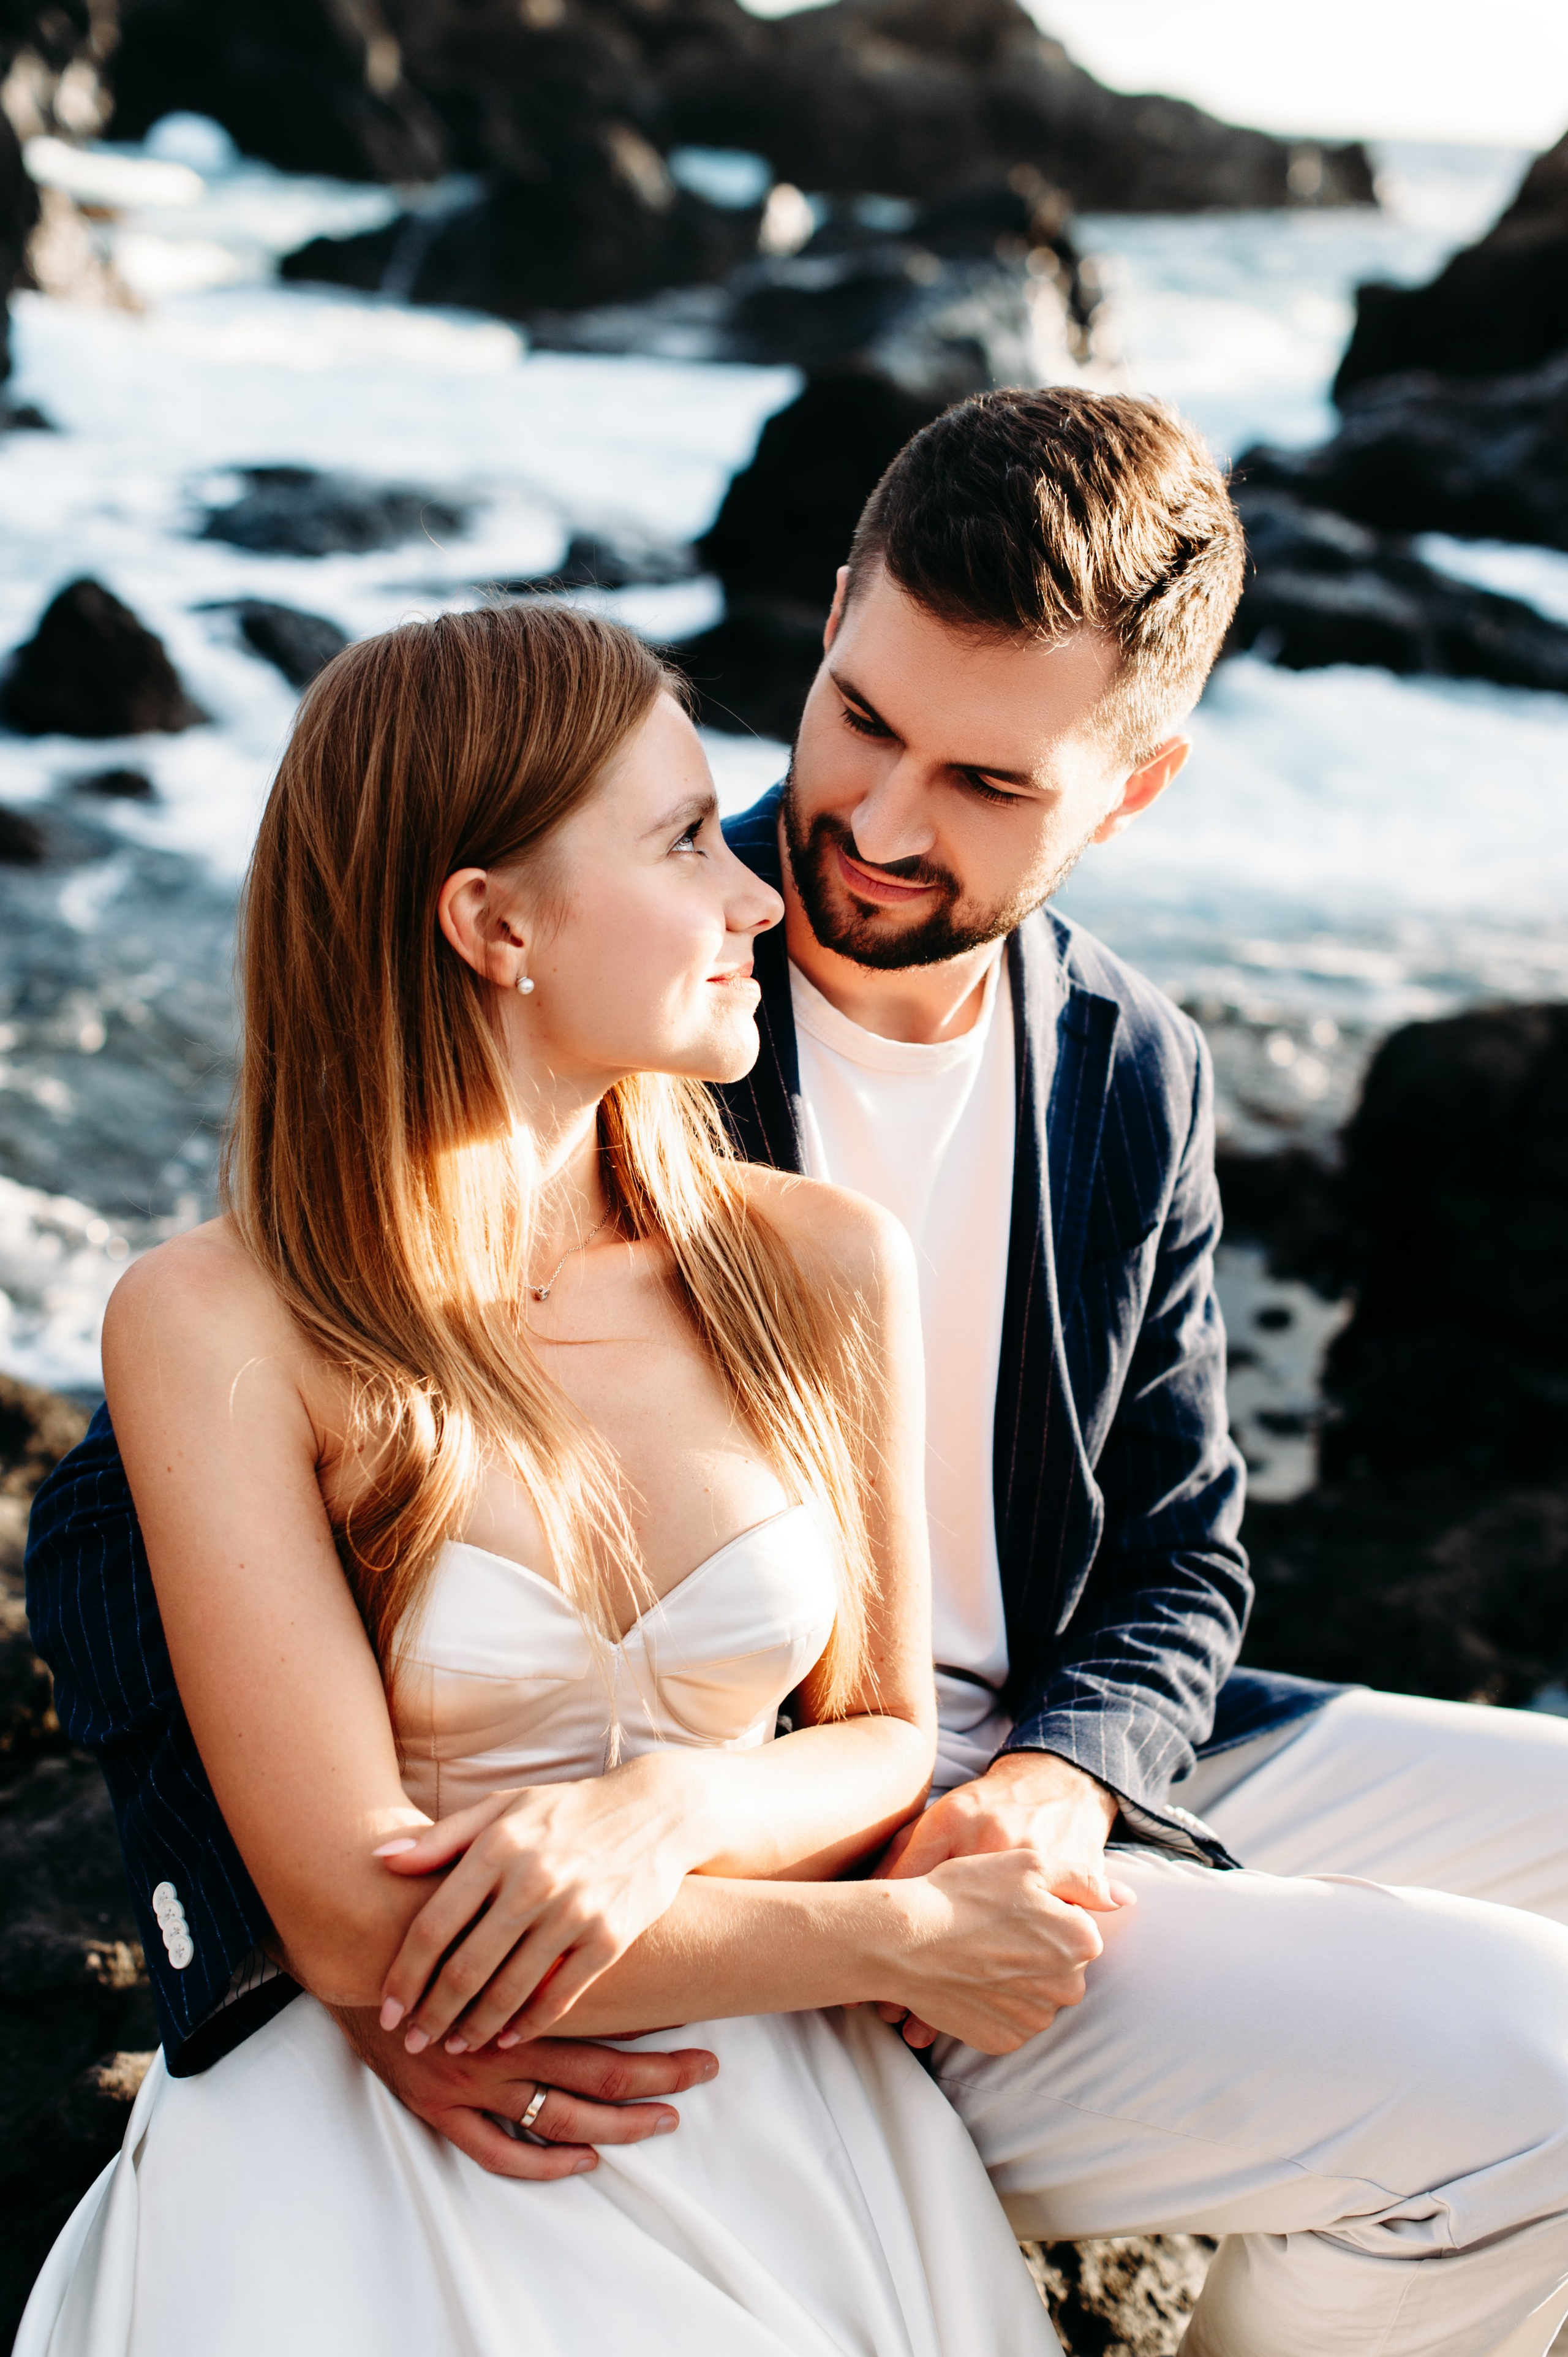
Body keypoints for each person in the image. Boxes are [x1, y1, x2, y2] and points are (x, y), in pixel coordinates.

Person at [26, 387, 1568, 2356]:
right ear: (833, 616)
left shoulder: (1125, 1069)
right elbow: (119, 1529)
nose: (879, 825)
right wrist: (325, 1977)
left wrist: (1061, 1780)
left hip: (1017, 1767)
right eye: (861, 720)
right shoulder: (631, 981)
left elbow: (1180, 1553)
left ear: (1134, 787)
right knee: (1528, 2078)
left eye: (991, 785)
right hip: (780, 1839)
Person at [16, 602, 1072, 2356]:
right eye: (680, 841)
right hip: (390, 2142)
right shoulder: (214, 1322)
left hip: (787, 2129)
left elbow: (884, 1730)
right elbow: (359, 1933)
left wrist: (666, 1813)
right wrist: (899, 1937)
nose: (757, 895)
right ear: (490, 922)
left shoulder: (818, 1263)